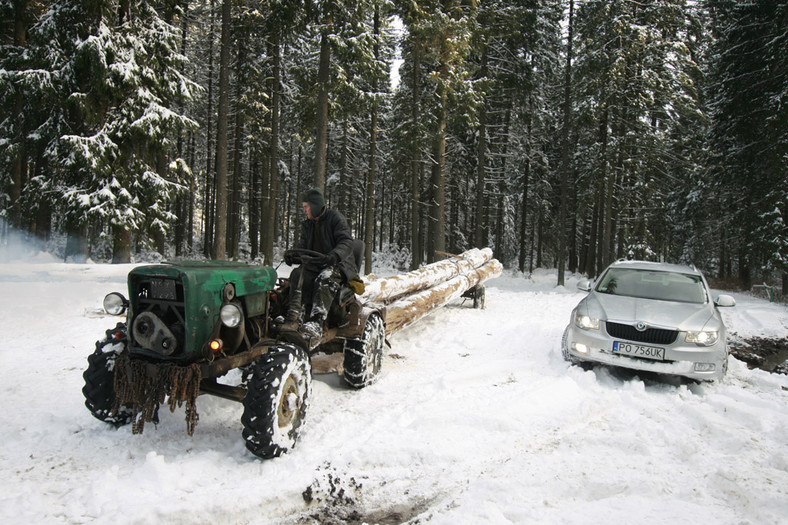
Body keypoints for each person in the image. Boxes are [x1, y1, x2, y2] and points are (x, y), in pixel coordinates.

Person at [281, 188, 358, 342]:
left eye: (306, 207)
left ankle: (317, 321)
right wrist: (292, 256)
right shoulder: (308, 225)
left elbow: (346, 241)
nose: (304, 210)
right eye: (303, 207)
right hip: (316, 264)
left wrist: (335, 255)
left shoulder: (335, 218)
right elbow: (303, 247)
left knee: (325, 278)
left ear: (315, 206)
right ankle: (296, 315)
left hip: (339, 265)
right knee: (297, 274)